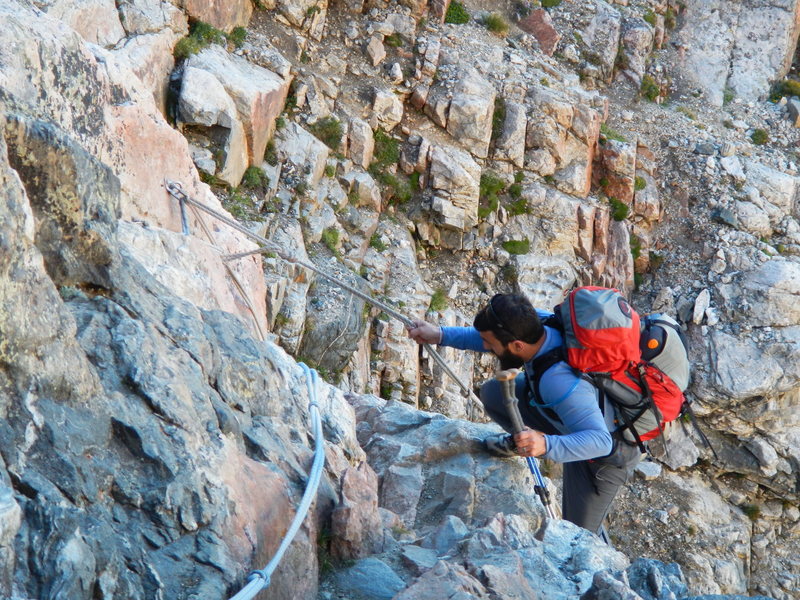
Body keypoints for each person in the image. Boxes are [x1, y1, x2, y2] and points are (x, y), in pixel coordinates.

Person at [407, 292, 642, 540]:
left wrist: (546, 444)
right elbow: (488, 338)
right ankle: (523, 443)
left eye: (491, 344)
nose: (486, 347)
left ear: (518, 346)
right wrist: (440, 335)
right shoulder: (537, 324)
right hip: (571, 419)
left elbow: (600, 442)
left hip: (604, 454)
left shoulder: (559, 382)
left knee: (579, 536)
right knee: (494, 394)